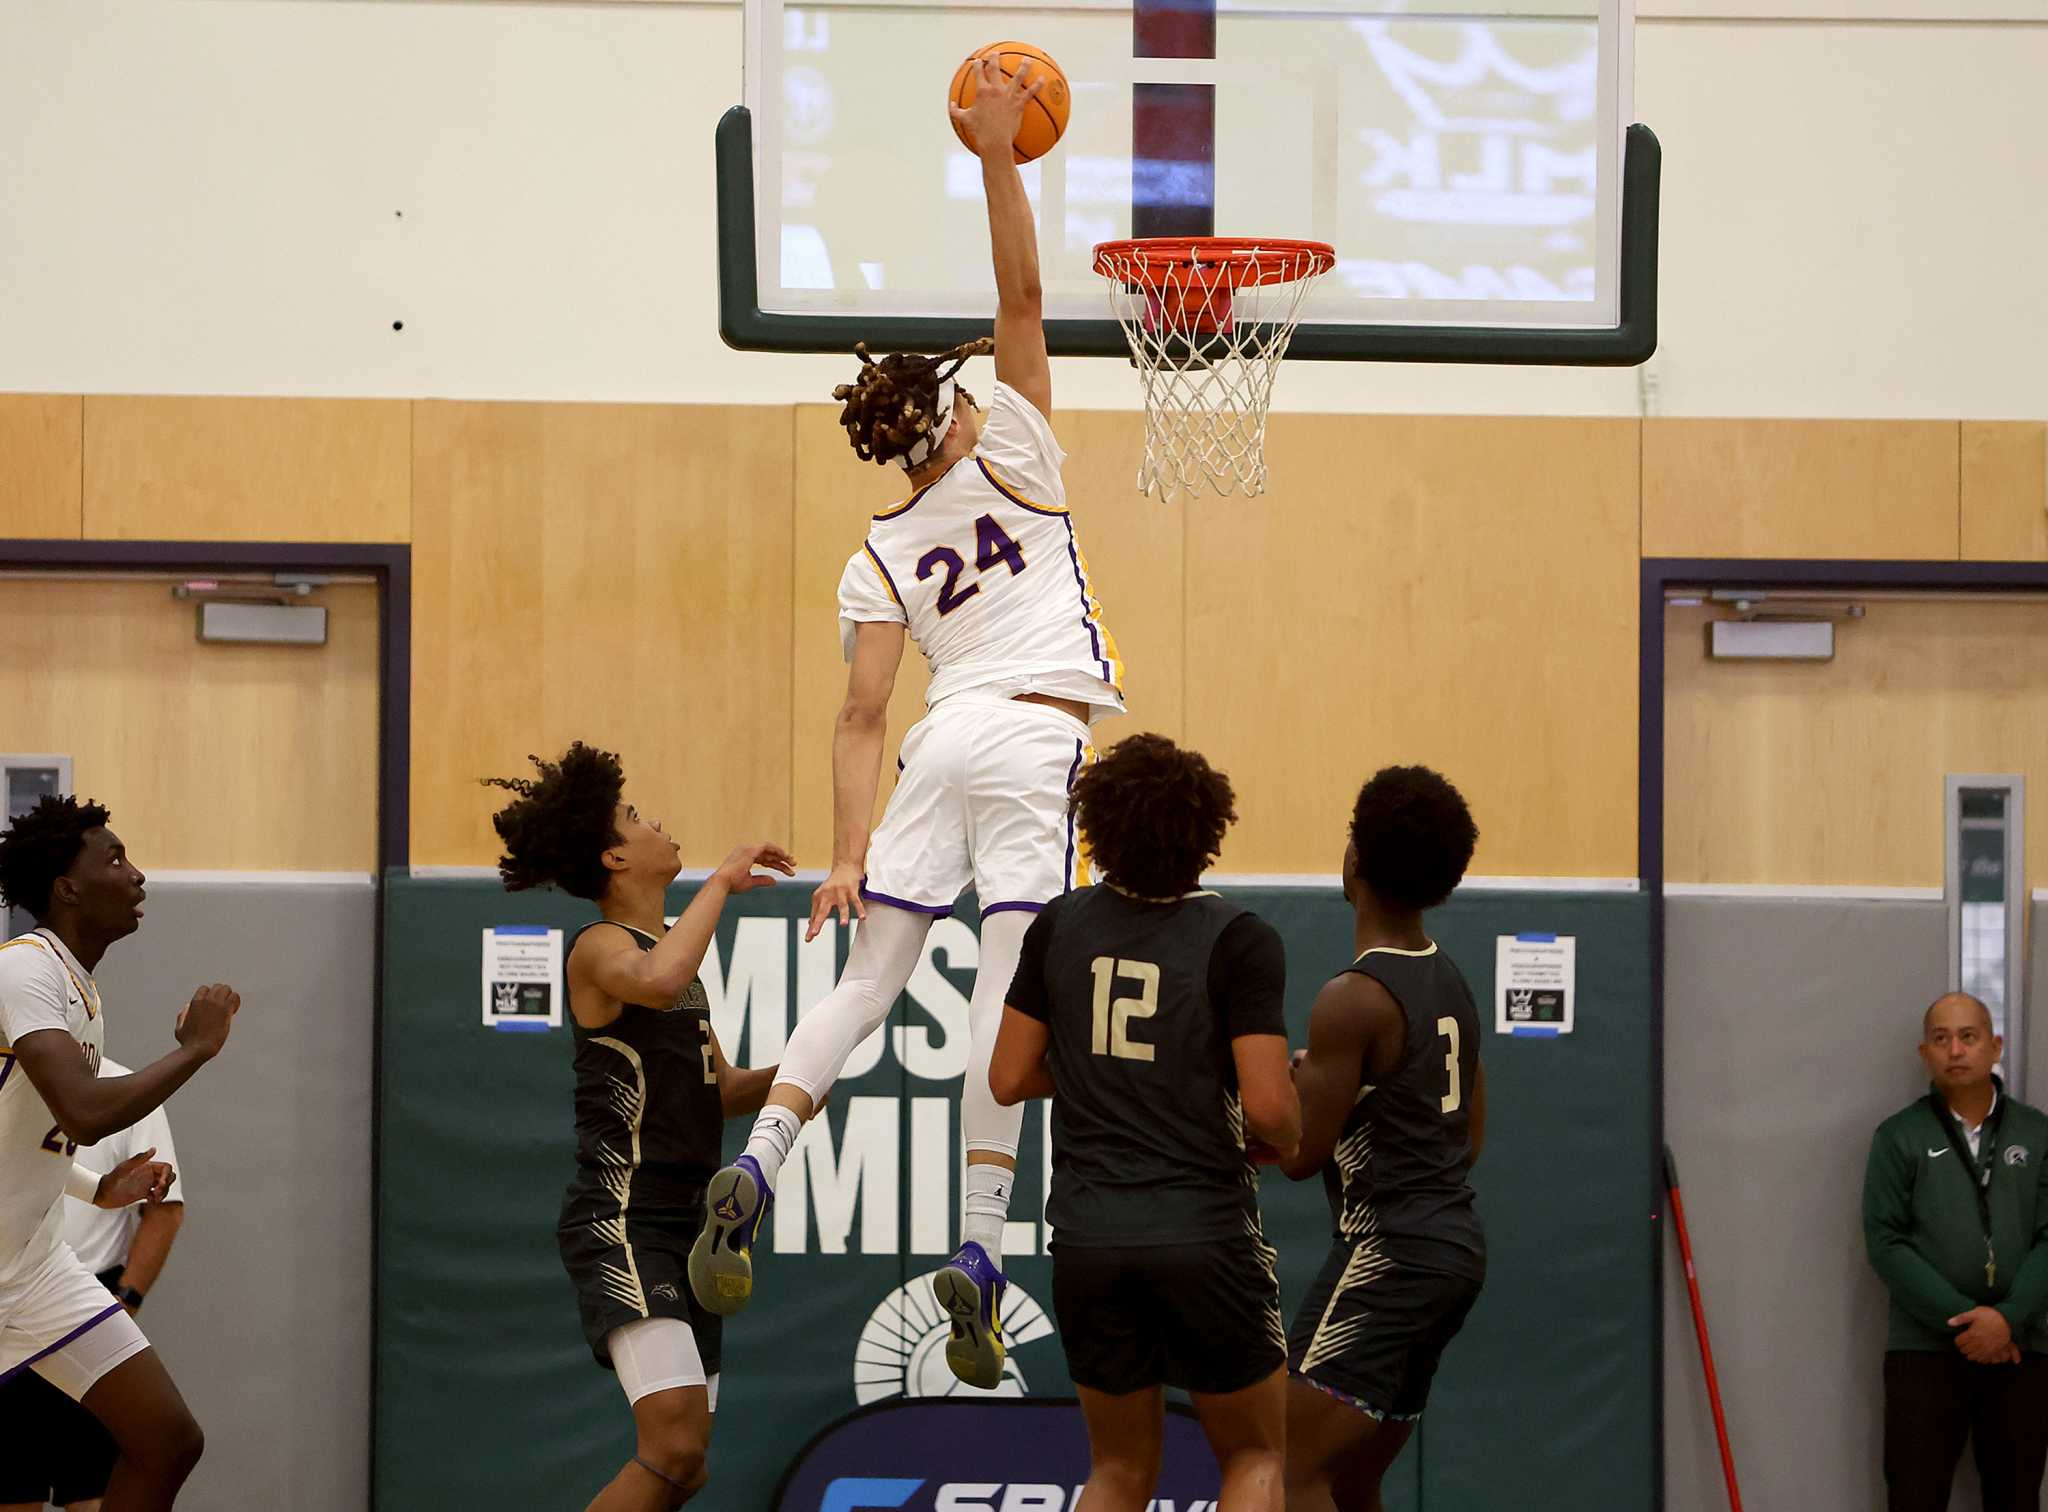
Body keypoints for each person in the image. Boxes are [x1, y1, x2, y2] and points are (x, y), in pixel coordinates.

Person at [693, 53, 1126, 1394]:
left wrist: (843, 856)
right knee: (1005, 998)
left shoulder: (876, 552)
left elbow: (861, 713)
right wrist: (999, 155)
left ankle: (757, 1164)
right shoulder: (1017, 447)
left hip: (939, 743)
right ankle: (981, 1256)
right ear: (954, 404)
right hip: (1036, 734)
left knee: (868, 986)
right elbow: (1023, 295)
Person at [986, 733, 1298, 1511]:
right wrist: (1291, 1131)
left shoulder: (1058, 925)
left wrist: (1103, 1077)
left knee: (1117, 1471)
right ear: (1207, 832)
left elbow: (1008, 1076)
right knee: (1255, 1455)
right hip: (1204, 1233)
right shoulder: (1240, 939)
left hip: (1090, 1240)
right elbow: (1267, 1109)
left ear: (1100, 828)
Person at [484, 743, 793, 1512]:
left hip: (693, 1230)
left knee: (689, 1466)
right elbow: (658, 982)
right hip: (625, 1216)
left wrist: (811, 1065)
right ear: (616, 855)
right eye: (635, 817)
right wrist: (722, 880)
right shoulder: (602, 949)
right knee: (673, 1444)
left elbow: (723, 1089)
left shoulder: (668, 960)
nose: (655, 823)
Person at [0, 795, 239, 1512]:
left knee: (167, 1441)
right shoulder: (24, 971)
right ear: (66, 889)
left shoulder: (79, 985)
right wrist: (194, 1050)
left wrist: (96, 1190)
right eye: (115, 859)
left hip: (31, 1268)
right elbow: (84, 1109)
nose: (137, 875)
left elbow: (26, 1137)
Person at [1280, 767, 1486, 1512]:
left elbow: (1299, 1154)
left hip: (1390, 1252)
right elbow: (1466, 1140)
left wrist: (1271, 1096)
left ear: (1355, 859)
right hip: (1452, 1251)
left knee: (1285, 1466)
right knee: (1351, 1477)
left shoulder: (1351, 998)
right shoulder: (1451, 983)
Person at [1864, 991, 2048, 1512]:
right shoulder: (1899, 1136)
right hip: (1924, 1351)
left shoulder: (2038, 1134)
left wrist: (2008, 1320)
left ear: (1995, 1045)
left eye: (1968, 1036)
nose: (1956, 1050)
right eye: (1941, 1039)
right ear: (1925, 1053)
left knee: (2015, 1497)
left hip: (2021, 1347)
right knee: (1915, 1497)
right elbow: (1885, 1242)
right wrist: (1969, 1325)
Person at [0, 1056, 188, 1512]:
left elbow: (165, 1208)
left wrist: (128, 1295)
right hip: (15, 1281)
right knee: (12, 1491)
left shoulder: (120, 1082)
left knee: (145, 1453)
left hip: (61, 1283)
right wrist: (195, 1050)